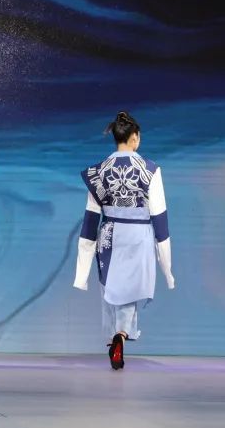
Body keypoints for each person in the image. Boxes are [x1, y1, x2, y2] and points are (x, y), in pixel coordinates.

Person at [74, 111, 175, 370]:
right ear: (135, 137)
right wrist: (167, 269)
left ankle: (114, 338)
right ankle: (121, 335)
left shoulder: (98, 172)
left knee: (110, 288)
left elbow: (89, 222)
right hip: (139, 236)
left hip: (109, 235)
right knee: (129, 290)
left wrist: (81, 275)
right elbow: (160, 219)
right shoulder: (150, 170)